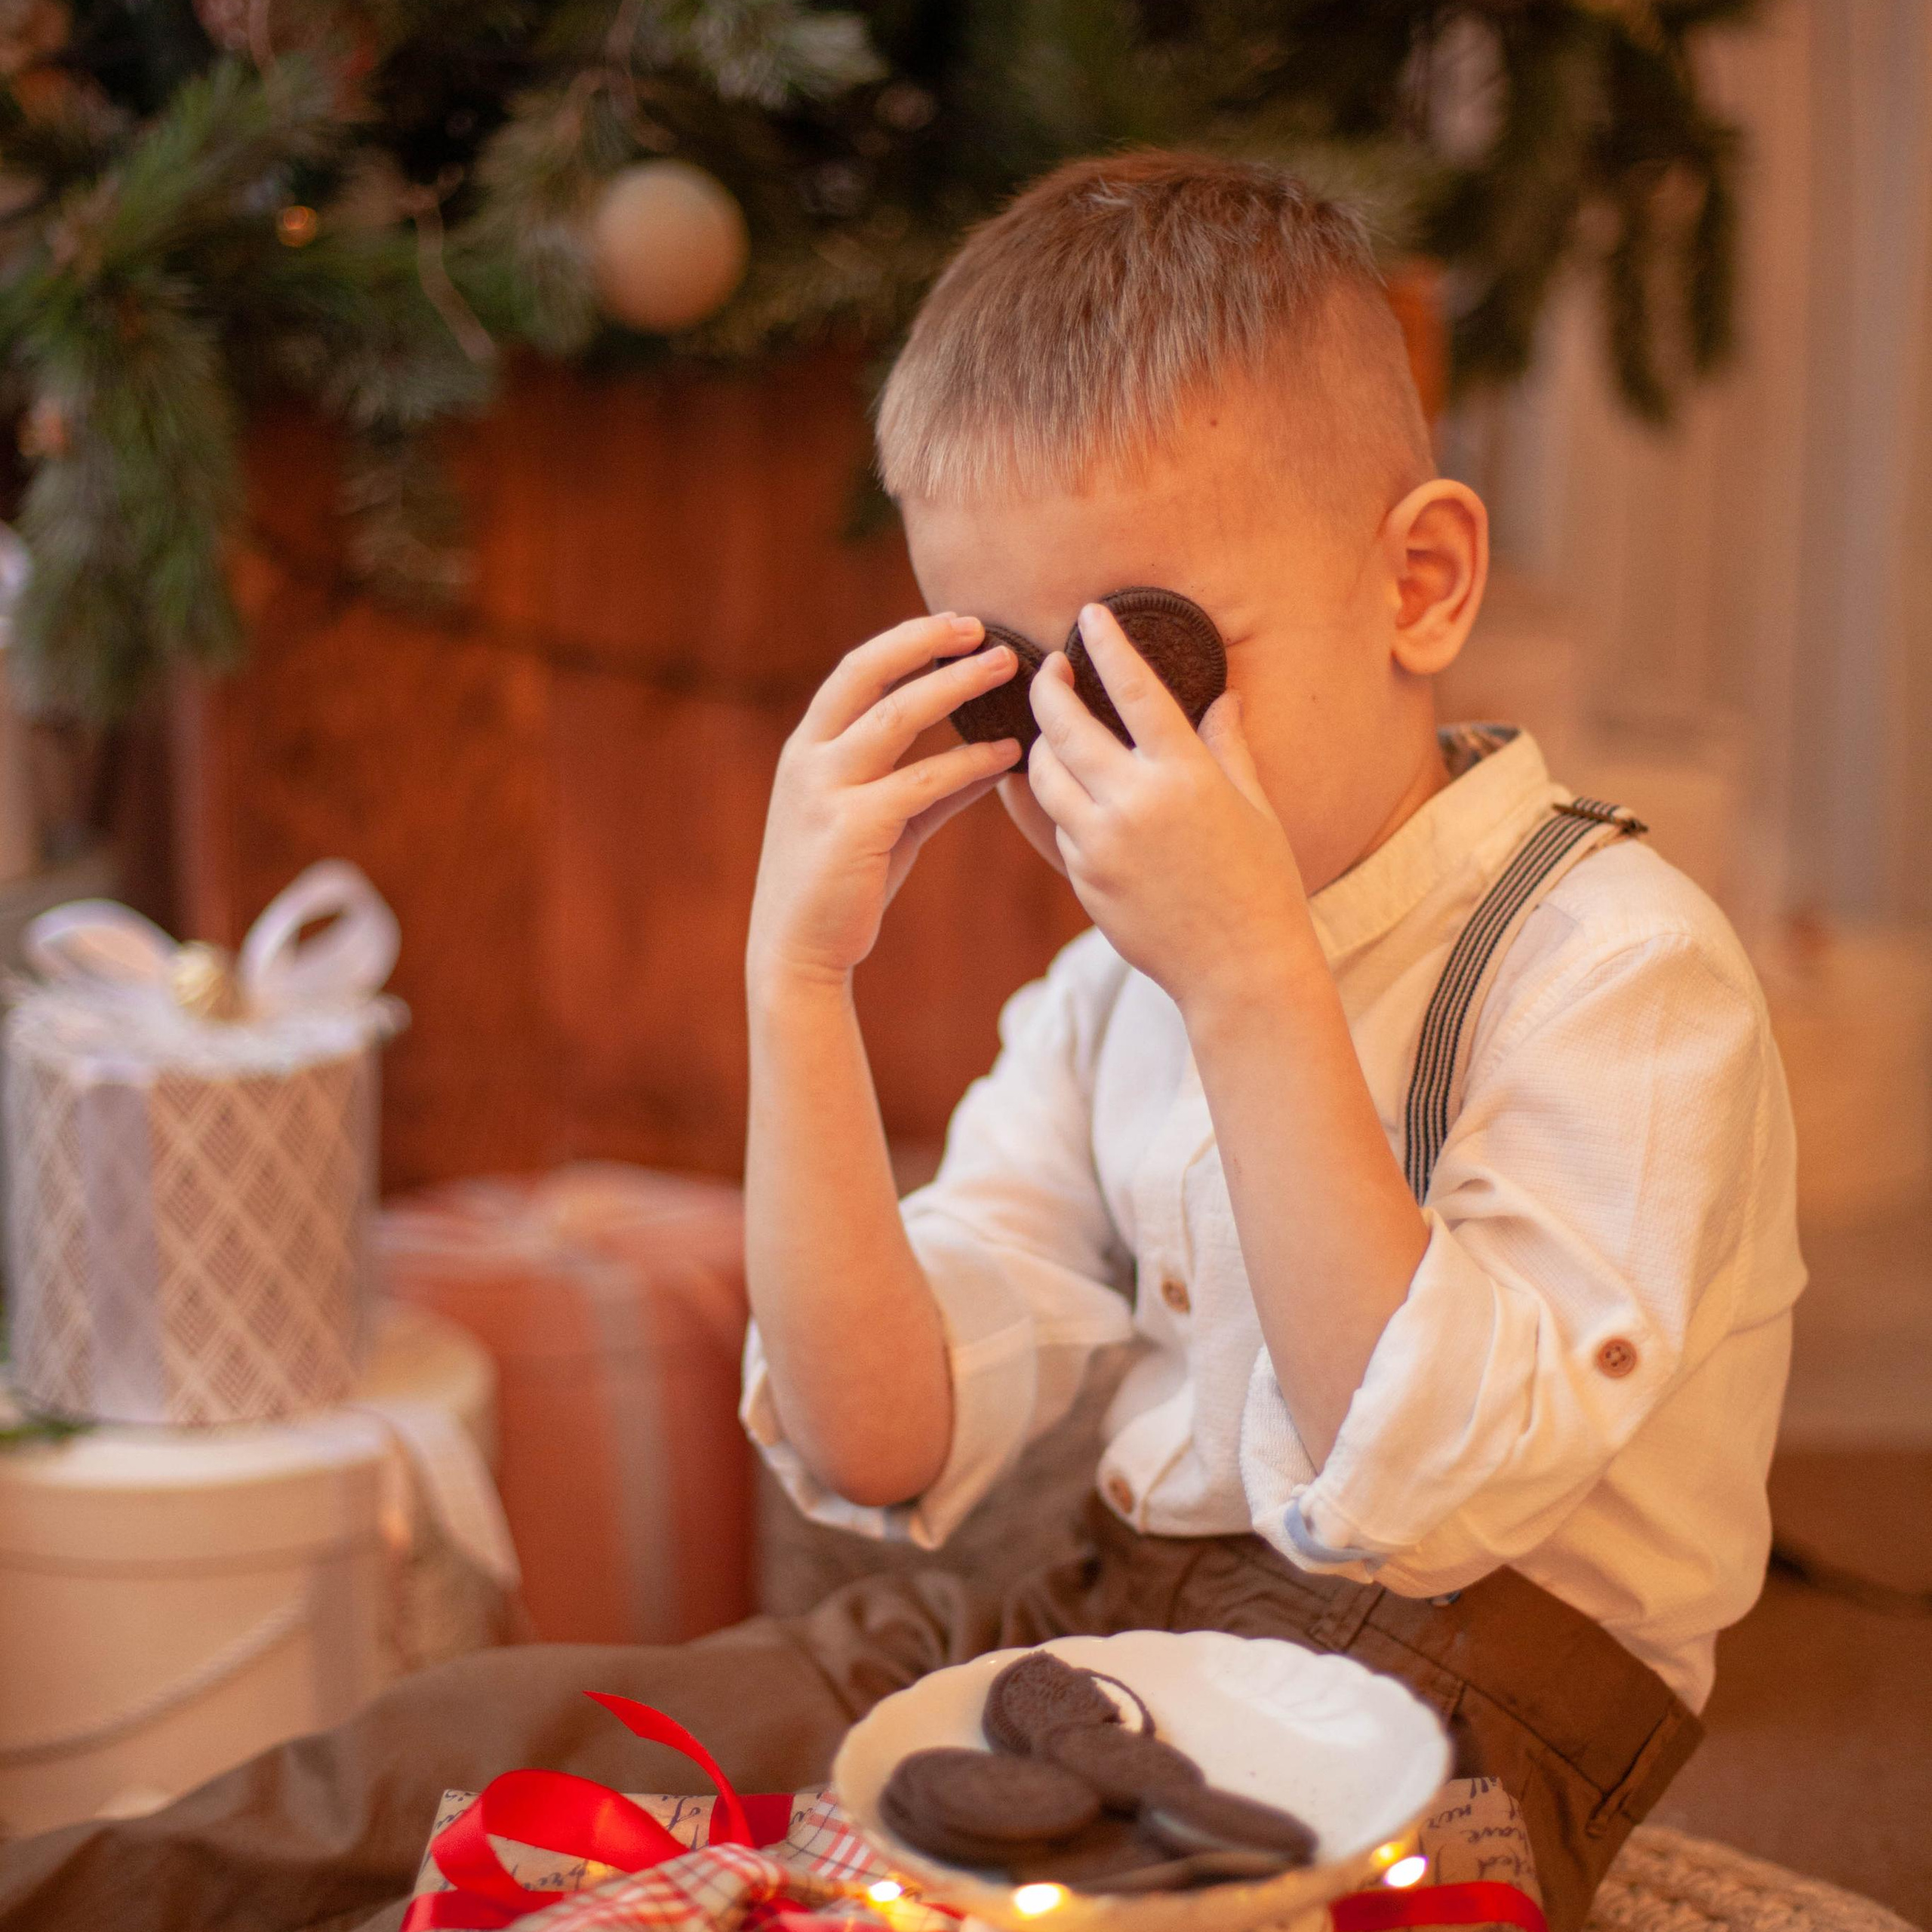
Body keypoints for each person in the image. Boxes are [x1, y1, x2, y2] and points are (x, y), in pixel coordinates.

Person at [0, 152, 1803, 1932]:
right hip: (1094, 1616)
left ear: (1415, 583)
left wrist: (1250, 976)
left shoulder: (1611, 971)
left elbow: (1422, 1490)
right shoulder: (1114, 995)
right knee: (463, 1757)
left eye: (1150, 665)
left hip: (1448, 1713)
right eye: (1022, 689)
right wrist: (796, 977)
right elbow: (876, 1440)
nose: (1081, 767)